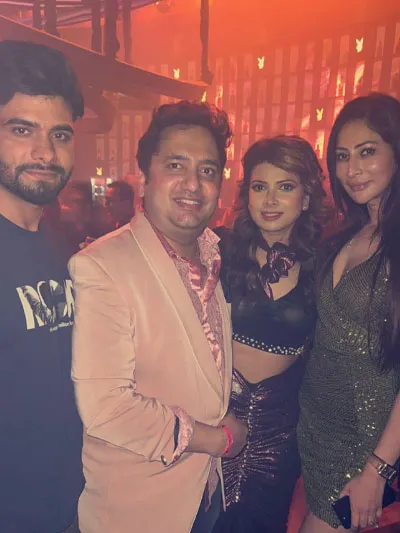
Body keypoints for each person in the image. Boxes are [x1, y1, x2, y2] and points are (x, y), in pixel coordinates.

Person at [69, 101, 248, 533]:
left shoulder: (214, 255)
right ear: (145, 175)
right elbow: (107, 408)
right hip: (139, 510)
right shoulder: (102, 265)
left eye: (207, 170)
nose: (193, 183)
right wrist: (219, 439)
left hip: (203, 496)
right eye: (175, 165)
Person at [212, 136, 327, 533]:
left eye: (286, 186)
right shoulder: (219, 249)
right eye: (260, 187)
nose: (271, 200)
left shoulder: (324, 264)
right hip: (214, 416)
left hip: (280, 431)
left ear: (306, 198)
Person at [298, 92, 400, 532]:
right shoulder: (348, 232)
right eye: (342, 156)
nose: (352, 169)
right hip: (315, 425)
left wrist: (378, 469)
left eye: (367, 152)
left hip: (363, 441)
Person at [0, 40, 84, 532]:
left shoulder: (61, 244)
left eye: (60, 134)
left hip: (71, 506)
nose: (45, 152)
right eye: (21, 129)